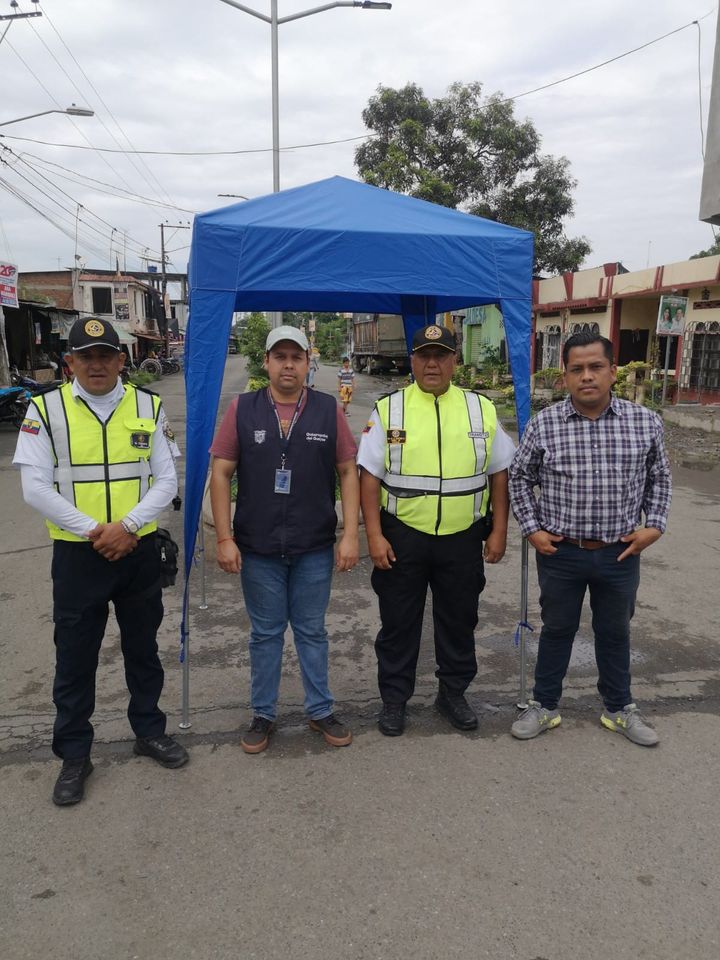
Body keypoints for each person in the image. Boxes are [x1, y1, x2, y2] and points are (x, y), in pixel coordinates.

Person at [12, 316, 188, 807]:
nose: (96, 365)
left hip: (138, 551)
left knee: (143, 650)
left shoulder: (148, 405)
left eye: (105, 355)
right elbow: (35, 488)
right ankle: (74, 755)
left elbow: (166, 481)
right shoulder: (44, 410)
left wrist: (127, 527)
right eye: (85, 356)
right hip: (78, 554)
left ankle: (149, 731)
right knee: (75, 658)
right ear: (69, 362)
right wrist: (97, 531)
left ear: (120, 360)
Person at [508, 330, 672, 747]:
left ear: (613, 372)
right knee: (557, 629)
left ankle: (618, 708)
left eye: (596, 367)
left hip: (621, 552)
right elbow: (519, 478)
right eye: (576, 369)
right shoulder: (544, 424)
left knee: (615, 631)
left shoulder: (645, 422)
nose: (587, 376)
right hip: (561, 552)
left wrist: (654, 525)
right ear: (564, 376)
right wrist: (532, 529)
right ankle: (544, 705)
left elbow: (659, 478)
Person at [358, 324, 516, 736]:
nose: (432, 364)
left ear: (454, 361)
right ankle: (395, 700)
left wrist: (499, 529)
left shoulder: (480, 408)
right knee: (398, 622)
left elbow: (500, 472)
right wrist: (373, 535)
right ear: (412, 361)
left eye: (441, 355)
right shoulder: (389, 409)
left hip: (463, 537)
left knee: (459, 621)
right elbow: (369, 475)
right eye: (425, 356)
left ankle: (452, 694)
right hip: (402, 536)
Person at [209, 325, 360, 755]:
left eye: (296, 357)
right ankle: (263, 713)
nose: (288, 365)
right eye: (280, 356)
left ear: (308, 362)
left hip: (314, 545)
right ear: (267, 362)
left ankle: (320, 710)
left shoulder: (328, 410)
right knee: (265, 634)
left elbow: (348, 471)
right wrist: (224, 538)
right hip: (257, 548)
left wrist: (351, 534)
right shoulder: (243, 409)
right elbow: (220, 473)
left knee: (312, 631)